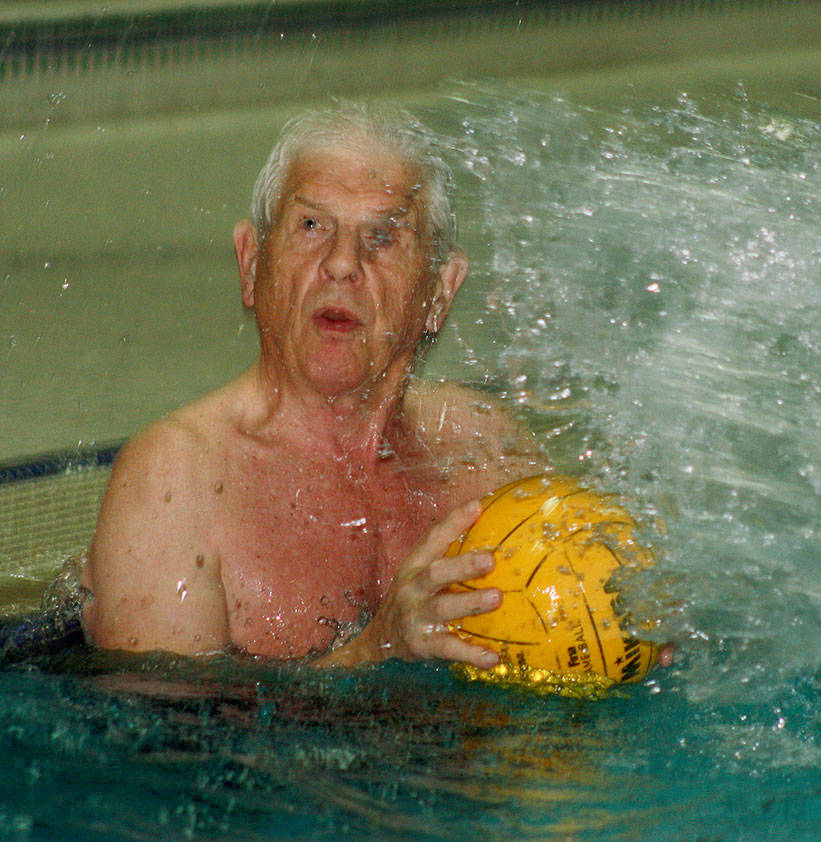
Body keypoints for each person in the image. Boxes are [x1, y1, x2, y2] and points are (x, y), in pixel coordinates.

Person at [81, 101, 548, 668]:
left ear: (441, 292)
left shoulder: (487, 453)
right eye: (311, 226)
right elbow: (157, 740)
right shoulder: (177, 482)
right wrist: (372, 652)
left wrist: (633, 635)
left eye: (383, 236)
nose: (343, 263)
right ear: (251, 264)